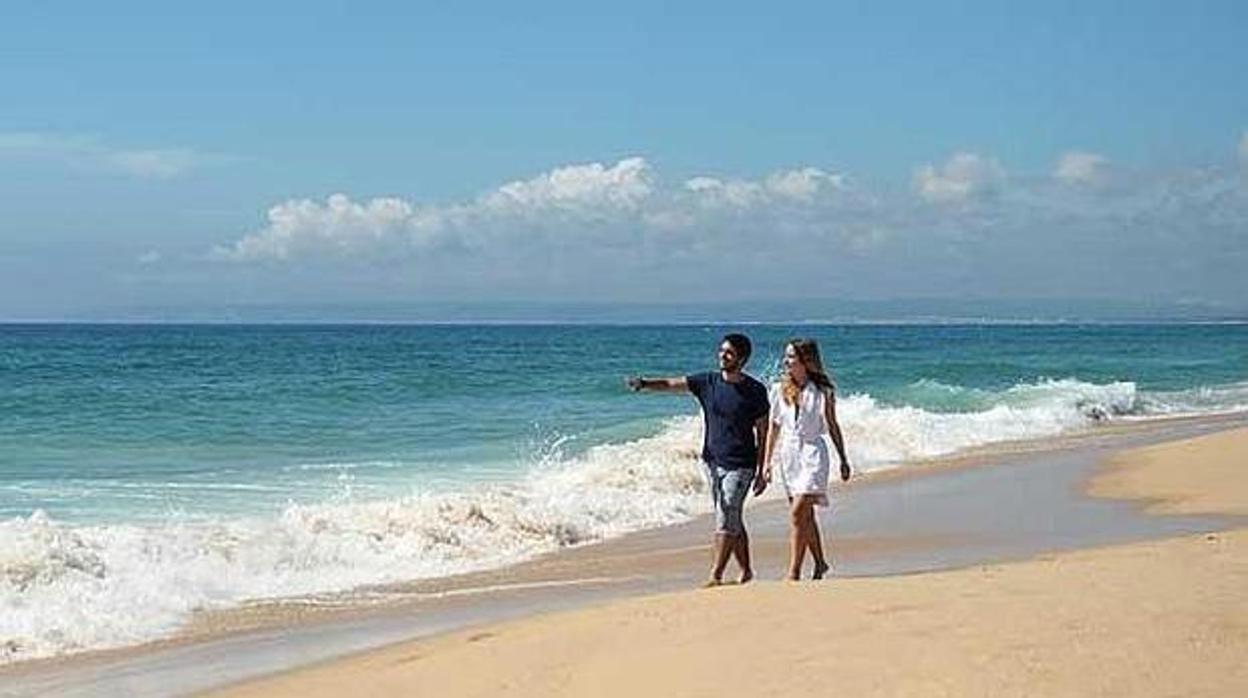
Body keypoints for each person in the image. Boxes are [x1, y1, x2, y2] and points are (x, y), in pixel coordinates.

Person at [627, 333, 770, 586]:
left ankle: (715, 575)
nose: (722, 356)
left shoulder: (755, 391)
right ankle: (746, 571)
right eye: (721, 351)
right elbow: (673, 384)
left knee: (726, 514)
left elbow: (764, 430)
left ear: (742, 358)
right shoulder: (708, 382)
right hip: (712, 462)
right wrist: (646, 383)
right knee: (730, 515)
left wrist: (762, 469)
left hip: (742, 464)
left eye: (729, 353)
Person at [761, 338, 850, 580]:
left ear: (806, 360)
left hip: (813, 453)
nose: (786, 361)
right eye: (786, 356)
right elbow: (774, 427)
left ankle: (794, 571)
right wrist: (766, 463)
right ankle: (820, 563)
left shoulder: (823, 391)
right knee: (805, 516)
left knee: (798, 512)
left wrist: (843, 458)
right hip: (789, 456)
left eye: (791, 356)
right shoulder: (779, 389)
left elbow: (832, 425)